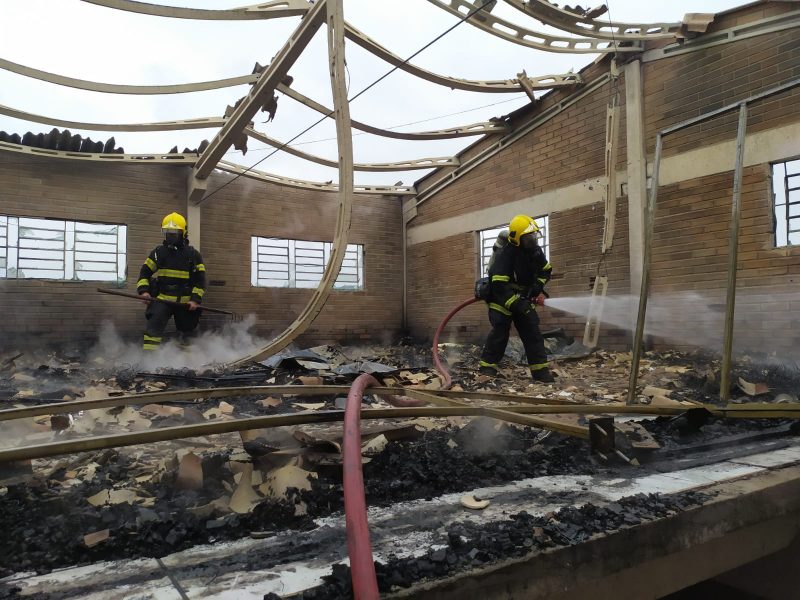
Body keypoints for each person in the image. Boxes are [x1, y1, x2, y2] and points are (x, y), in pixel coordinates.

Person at [479, 214, 555, 382]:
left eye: (534, 236)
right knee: (500, 332)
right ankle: (487, 367)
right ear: (517, 238)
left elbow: (546, 270)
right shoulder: (505, 255)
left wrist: (537, 286)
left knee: (532, 333)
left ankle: (540, 372)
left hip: (524, 297)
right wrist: (517, 304)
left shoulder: (535, 252)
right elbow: (499, 285)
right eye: (528, 237)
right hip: (502, 299)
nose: (533, 240)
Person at [137, 212, 207, 351]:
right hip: (162, 300)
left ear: (183, 233)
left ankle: (187, 364)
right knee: (153, 329)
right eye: (167, 232)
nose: (170, 236)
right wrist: (144, 291)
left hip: (186, 302)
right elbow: (144, 273)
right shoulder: (158, 253)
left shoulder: (193, 255)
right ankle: (149, 361)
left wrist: (195, 300)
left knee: (187, 334)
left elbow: (200, 281)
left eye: (174, 233)